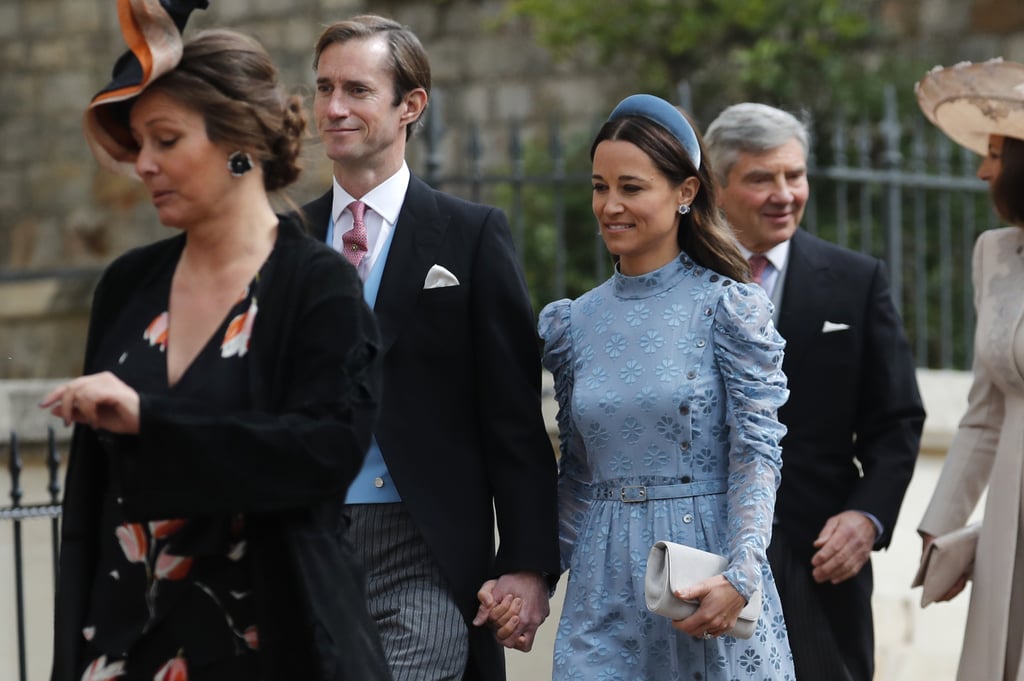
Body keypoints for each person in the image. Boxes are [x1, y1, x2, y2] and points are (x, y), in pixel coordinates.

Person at [41, 3, 390, 680]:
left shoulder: (317, 286)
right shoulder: (125, 286)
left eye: (166, 139)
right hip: (120, 648)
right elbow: (88, 509)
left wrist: (153, 420)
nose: (142, 163)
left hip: (265, 645)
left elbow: (321, 455)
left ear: (240, 143)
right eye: (138, 142)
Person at [300, 14, 560, 681]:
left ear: (410, 104)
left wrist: (526, 564)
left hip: (428, 550)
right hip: (307, 544)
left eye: (356, 89)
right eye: (324, 87)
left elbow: (512, 418)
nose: (333, 107)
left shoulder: (470, 237)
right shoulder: (284, 242)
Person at [538, 93, 795, 680]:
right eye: (600, 186)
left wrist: (743, 572)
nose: (610, 205)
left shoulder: (729, 309)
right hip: (600, 588)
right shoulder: (571, 324)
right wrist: (534, 577)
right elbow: (576, 472)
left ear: (685, 192)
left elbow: (756, 452)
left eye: (631, 187)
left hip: (703, 574)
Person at [704, 102, 926, 681]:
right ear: (716, 188)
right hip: (701, 553)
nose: (784, 193)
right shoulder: (680, 281)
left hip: (819, 560)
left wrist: (866, 517)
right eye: (761, 178)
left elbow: (897, 421)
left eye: (794, 175)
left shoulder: (857, 281)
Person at [915, 58, 1024, 681]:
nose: (984, 169)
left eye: (995, 152)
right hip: (1009, 513)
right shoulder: (994, 254)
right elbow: (984, 412)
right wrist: (941, 527)